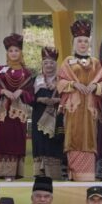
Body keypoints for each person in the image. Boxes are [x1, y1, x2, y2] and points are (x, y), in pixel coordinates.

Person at [57, 20, 102, 182]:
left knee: (90, 137)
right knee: (73, 137)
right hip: (74, 107)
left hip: (90, 108)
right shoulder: (67, 61)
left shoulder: (95, 62)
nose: (83, 44)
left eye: (86, 41)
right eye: (80, 41)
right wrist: (74, 84)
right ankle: (74, 175)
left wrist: (95, 86)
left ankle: (88, 177)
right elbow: (60, 83)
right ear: (74, 42)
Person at [0, 33, 34, 180]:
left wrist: (21, 91)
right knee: (1, 138)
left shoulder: (27, 73)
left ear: (21, 52)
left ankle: (13, 174)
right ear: (7, 53)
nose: (13, 53)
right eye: (10, 51)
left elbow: (32, 93)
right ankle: (0, 173)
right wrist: (3, 91)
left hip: (17, 114)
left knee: (16, 140)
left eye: (16, 50)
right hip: (2, 113)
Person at [32, 47, 65, 180]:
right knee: (39, 143)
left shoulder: (62, 81)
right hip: (38, 117)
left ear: (56, 65)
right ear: (42, 64)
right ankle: (39, 175)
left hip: (56, 118)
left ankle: (55, 176)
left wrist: (57, 100)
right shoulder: (36, 80)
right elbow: (28, 98)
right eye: (46, 63)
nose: (49, 66)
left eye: (51, 63)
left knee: (54, 143)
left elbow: (69, 98)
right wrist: (40, 99)